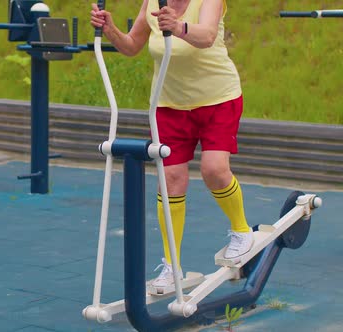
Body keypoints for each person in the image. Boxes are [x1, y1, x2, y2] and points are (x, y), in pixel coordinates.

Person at [91, 0, 253, 294]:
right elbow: (131, 46)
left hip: (218, 98)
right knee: (170, 181)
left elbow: (205, 36)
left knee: (214, 170)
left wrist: (177, 27)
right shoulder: (151, 3)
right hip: (169, 105)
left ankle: (242, 231)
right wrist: (110, 29)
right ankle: (171, 264)